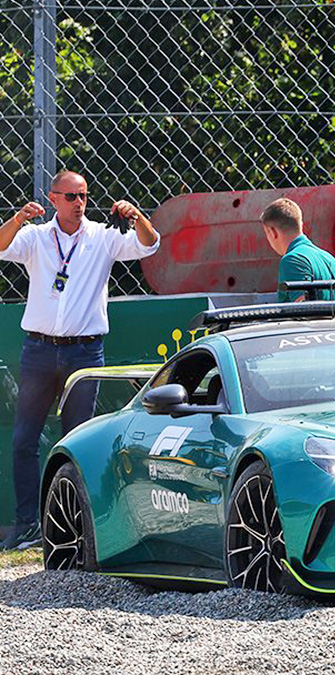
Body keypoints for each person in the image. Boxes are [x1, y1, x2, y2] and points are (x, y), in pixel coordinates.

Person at [0, 170, 160, 550]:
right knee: (24, 438)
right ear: (53, 199)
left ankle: (73, 527)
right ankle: (27, 524)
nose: (79, 204)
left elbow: (150, 246)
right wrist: (19, 218)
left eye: (84, 196)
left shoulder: (103, 237)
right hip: (39, 349)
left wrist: (138, 218)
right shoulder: (37, 237)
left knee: (77, 441)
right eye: (70, 197)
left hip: (84, 352)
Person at [260, 197, 335, 302]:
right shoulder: (331, 260)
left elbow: (303, 312)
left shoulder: (292, 260)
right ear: (301, 225)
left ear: (272, 232)